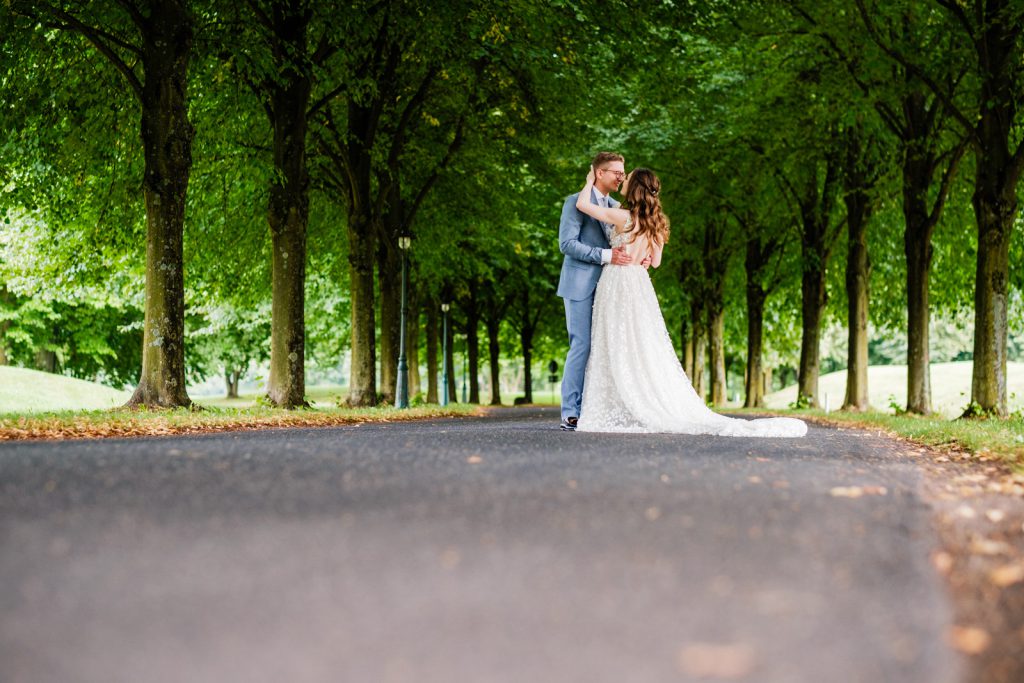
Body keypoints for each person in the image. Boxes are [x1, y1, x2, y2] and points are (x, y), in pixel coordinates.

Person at [570, 165, 807, 437]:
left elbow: (582, 204)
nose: (623, 180)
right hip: (638, 283)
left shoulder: (621, 216)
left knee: (615, 340)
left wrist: (590, 180)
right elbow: (655, 263)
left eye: (628, 177)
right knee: (640, 340)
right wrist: (644, 256)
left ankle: (620, 396)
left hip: (616, 281)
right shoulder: (657, 222)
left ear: (634, 187)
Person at [556, 152, 638, 431]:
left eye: (622, 172)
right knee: (582, 345)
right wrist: (607, 255)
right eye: (616, 172)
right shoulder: (574, 202)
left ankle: (600, 409)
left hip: (610, 290)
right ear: (599, 173)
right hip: (579, 285)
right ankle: (571, 413)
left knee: (610, 346)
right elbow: (567, 244)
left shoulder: (617, 206)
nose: (621, 177)